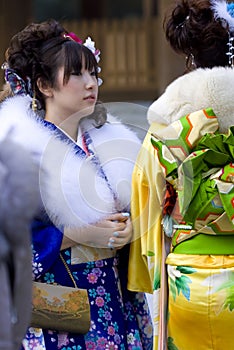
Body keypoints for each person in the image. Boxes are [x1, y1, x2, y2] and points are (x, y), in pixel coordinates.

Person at [0, 19, 153, 349]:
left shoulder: (108, 141)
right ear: (44, 85)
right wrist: (72, 235)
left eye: (92, 72)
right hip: (57, 306)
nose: (91, 83)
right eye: (76, 75)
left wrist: (129, 231)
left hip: (115, 299)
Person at [127, 0, 234, 349]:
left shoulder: (168, 117)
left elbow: (145, 195)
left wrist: (144, 275)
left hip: (189, 276)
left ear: (191, 56)